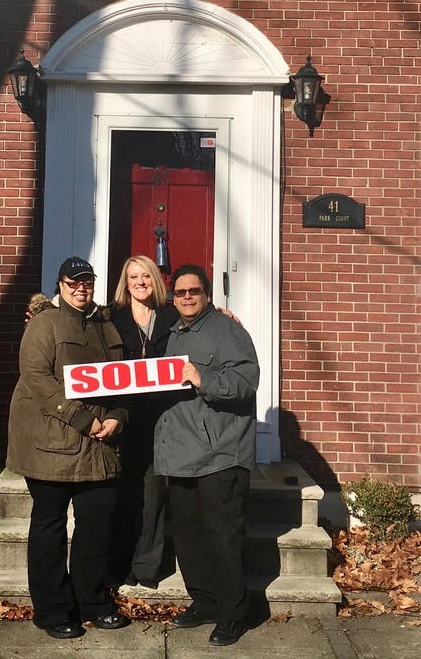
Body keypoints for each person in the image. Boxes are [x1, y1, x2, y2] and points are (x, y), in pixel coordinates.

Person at [5, 257, 131, 640]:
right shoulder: (43, 325)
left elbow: (122, 379)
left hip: (98, 445)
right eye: (73, 282)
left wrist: (118, 417)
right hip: (51, 445)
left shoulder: (105, 324)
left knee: (96, 525)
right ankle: (52, 609)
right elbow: (38, 379)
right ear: (60, 285)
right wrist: (81, 419)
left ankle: (91, 602)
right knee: (50, 527)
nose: (81, 288)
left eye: (87, 281)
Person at [154, 262, 259, 647]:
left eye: (193, 292)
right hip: (179, 453)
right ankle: (205, 602)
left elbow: (246, 383)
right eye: (179, 293)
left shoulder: (228, 331)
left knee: (223, 536)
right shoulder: (171, 332)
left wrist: (202, 378)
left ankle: (234, 614)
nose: (185, 298)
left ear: (207, 294)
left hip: (220, 453)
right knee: (188, 536)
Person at [107, 254, 180, 588]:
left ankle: (147, 567)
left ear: (155, 280)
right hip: (122, 418)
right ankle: (119, 564)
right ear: (126, 282)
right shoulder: (110, 316)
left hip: (160, 419)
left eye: (146, 277)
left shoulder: (172, 315)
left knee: (153, 494)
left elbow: (203, 320)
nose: (139, 282)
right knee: (122, 493)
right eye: (133, 276)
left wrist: (223, 312)